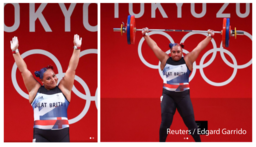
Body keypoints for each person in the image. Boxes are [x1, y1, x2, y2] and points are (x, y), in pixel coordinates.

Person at [142, 28, 214, 142]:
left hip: (183, 97)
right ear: (170, 52)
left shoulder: (188, 60)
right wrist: (145, 35)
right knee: (165, 124)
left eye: (178, 52)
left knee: (192, 124)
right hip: (168, 97)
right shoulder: (164, 59)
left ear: (182, 52)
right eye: (174, 52)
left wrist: (209, 36)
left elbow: (199, 47)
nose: (176, 54)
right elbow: (154, 46)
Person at [10, 34, 82, 142]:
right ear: (42, 81)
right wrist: (15, 51)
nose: (53, 80)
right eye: (48, 79)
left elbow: (72, 69)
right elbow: (23, 70)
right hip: (41, 137)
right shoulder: (35, 91)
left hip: (62, 137)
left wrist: (76, 48)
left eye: (54, 76)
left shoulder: (64, 89)